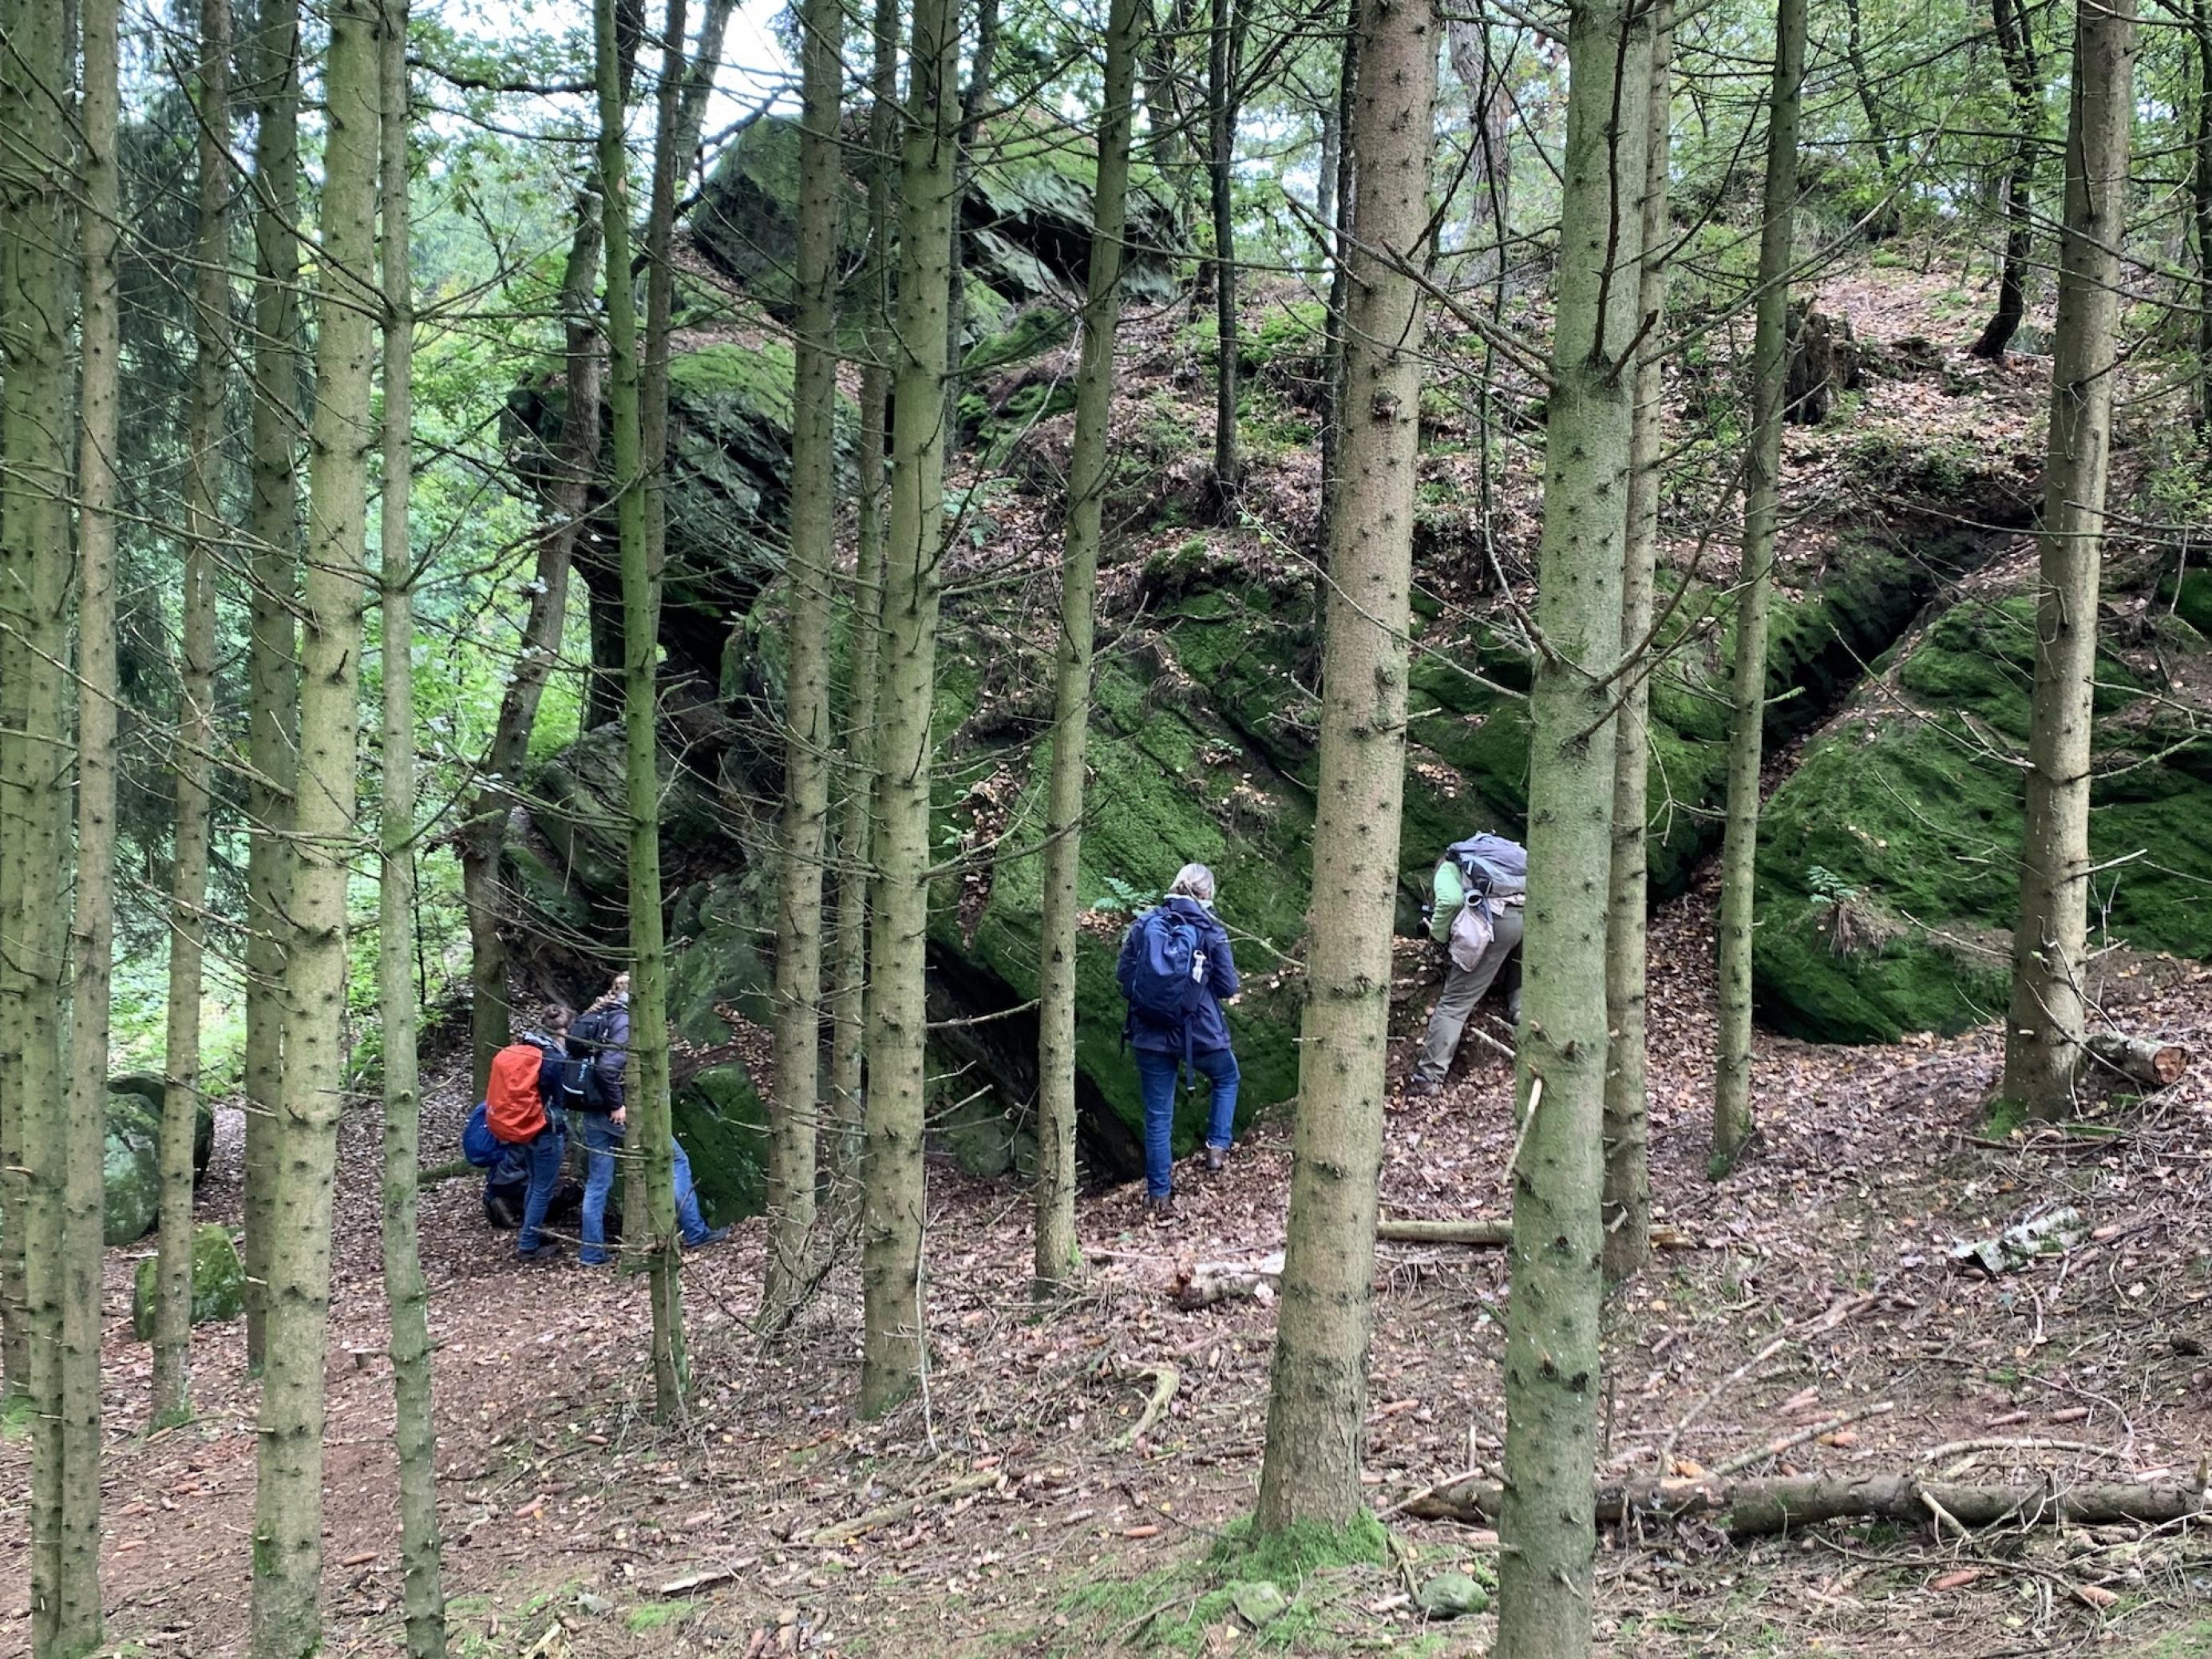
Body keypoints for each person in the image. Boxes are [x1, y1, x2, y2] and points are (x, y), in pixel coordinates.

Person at [569, 974, 730, 1265]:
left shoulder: (596, 1016)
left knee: (597, 1184)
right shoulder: (626, 1021)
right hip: (621, 1111)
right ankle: (695, 1232)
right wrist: (617, 1105)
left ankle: (591, 1253)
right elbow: (608, 1068)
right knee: (674, 1160)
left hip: (592, 1113)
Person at [1116, 863, 1241, 1223]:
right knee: (1226, 1077)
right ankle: (1217, 1147)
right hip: (1200, 1033)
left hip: (1150, 1035)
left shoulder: (1145, 924)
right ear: (1207, 895)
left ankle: (1159, 1197)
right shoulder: (1210, 931)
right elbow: (1228, 986)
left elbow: (1124, 977)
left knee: (1158, 1117)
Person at [1407, 833, 1527, 1096]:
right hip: (1528, 914)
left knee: (1454, 1003)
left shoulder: (1448, 869)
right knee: (1517, 962)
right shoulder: (1492, 860)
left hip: (1497, 923)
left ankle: (1429, 1077)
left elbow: (1451, 901)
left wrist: (1438, 938)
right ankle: (1520, 1013)